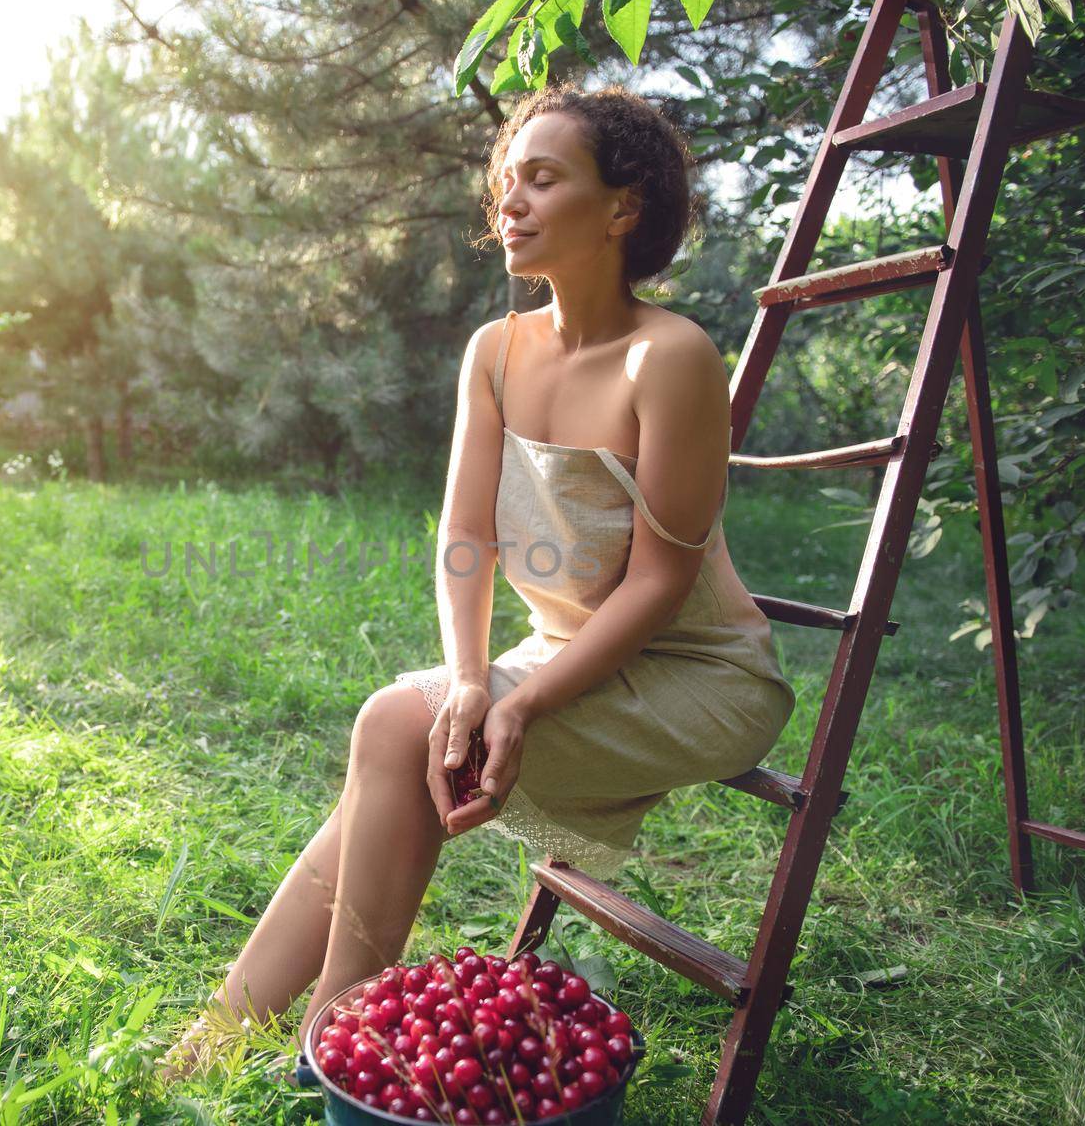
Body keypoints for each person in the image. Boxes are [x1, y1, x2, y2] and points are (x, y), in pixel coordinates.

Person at [157, 81, 796, 1084]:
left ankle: (325, 1054)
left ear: (621, 207)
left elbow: (665, 583)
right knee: (401, 736)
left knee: (390, 734)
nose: (511, 202)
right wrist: (469, 677)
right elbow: (463, 533)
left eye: (543, 178)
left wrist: (522, 697)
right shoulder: (494, 351)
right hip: (561, 653)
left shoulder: (667, 357)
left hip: (696, 673)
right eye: (507, 180)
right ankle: (226, 1041)